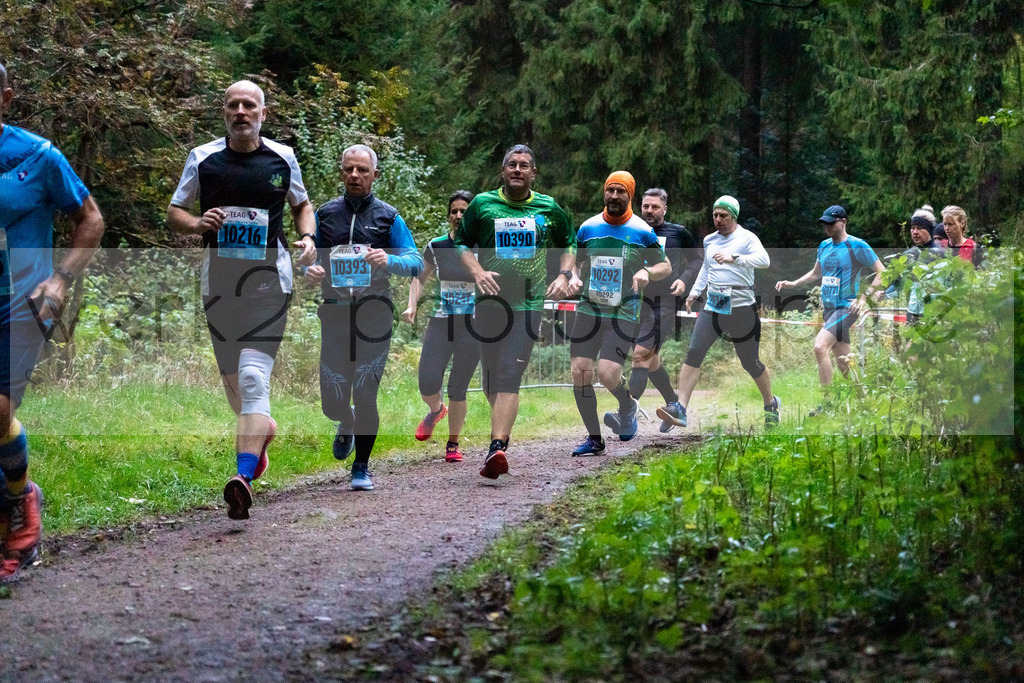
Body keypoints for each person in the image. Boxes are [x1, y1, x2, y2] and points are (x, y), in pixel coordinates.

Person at [167, 80, 317, 520]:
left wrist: (307, 236)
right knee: (237, 392)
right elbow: (174, 213)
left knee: (253, 379)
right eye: (233, 105)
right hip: (220, 284)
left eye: (249, 105)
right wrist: (197, 224)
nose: (241, 112)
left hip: (270, 281)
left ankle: (242, 478)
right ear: (224, 112)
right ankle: (261, 432)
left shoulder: (282, 158)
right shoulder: (203, 158)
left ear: (263, 114)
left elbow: (302, 204)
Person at [0, 61, 105, 581]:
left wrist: (61, 278)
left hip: (20, 303)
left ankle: (22, 507)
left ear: (6, 97)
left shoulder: (39, 156)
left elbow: (91, 218)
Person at [454, 144, 578, 479]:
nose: (518, 170)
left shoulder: (548, 207)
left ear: (533, 172)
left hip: (528, 304)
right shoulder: (482, 204)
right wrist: (477, 272)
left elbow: (569, 241)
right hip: (490, 303)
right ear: (503, 170)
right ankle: (500, 436)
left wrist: (565, 274)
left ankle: (496, 448)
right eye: (512, 164)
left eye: (525, 165)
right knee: (492, 377)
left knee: (510, 372)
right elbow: (461, 243)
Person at [305, 144, 423, 491]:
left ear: (375, 174)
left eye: (362, 170)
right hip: (336, 314)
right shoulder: (325, 215)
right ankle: (346, 422)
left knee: (365, 390)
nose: (354, 175)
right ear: (341, 172)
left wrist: (390, 261)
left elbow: (416, 261)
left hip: (375, 314)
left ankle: (361, 468)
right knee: (332, 399)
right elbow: (311, 261)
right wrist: (311, 271)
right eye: (348, 169)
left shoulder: (389, 217)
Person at [657, 196, 780, 430]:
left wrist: (735, 258)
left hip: (742, 308)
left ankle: (771, 404)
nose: (718, 220)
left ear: (733, 216)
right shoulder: (709, 240)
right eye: (715, 215)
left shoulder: (746, 238)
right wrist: (694, 292)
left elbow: (763, 260)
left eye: (723, 215)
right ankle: (680, 409)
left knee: (750, 363)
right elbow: (706, 266)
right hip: (713, 305)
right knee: (694, 352)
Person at [568, 172, 670, 456]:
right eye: (610, 190)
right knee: (580, 371)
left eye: (620, 192)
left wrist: (646, 270)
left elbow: (666, 266)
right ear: (604, 192)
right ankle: (594, 438)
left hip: (624, 311)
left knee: (607, 374)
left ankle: (627, 405)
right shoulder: (588, 228)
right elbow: (574, 263)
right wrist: (573, 277)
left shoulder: (642, 231)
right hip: (589, 307)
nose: (614, 196)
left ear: (630, 196)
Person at [775, 205, 884, 416]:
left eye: (831, 223)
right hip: (829, 309)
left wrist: (864, 298)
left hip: (847, 307)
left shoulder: (857, 245)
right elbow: (816, 274)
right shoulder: (824, 246)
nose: (827, 227)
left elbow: (882, 273)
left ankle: (828, 405)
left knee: (819, 347)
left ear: (843, 222)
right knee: (844, 363)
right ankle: (866, 405)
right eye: (824, 223)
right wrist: (793, 283)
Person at [401, 190, 479, 463]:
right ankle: (436, 410)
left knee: (459, 386)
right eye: (455, 211)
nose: (459, 215)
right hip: (442, 322)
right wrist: (412, 305)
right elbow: (419, 278)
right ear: (449, 215)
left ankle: (453, 443)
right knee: (427, 380)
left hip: (473, 325)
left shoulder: (483, 246)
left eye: (464, 211)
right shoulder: (437, 246)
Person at [626, 188, 701, 433]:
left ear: (664, 209)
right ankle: (673, 404)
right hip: (635, 300)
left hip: (664, 302)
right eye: (645, 206)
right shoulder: (632, 231)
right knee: (651, 359)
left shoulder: (678, 233)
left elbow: (698, 260)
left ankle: (627, 415)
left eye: (655, 207)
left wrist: (684, 280)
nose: (649, 211)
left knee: (640, 355)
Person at [887, 215, 946, 326]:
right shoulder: (908, 255)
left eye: (919, 228)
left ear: (929, 230)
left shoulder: (941, 254)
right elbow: (898, 284)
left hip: (935, 312)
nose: (915, 232)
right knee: (910, 343)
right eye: (913, 228)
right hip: (913, 312)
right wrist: (882, 295)